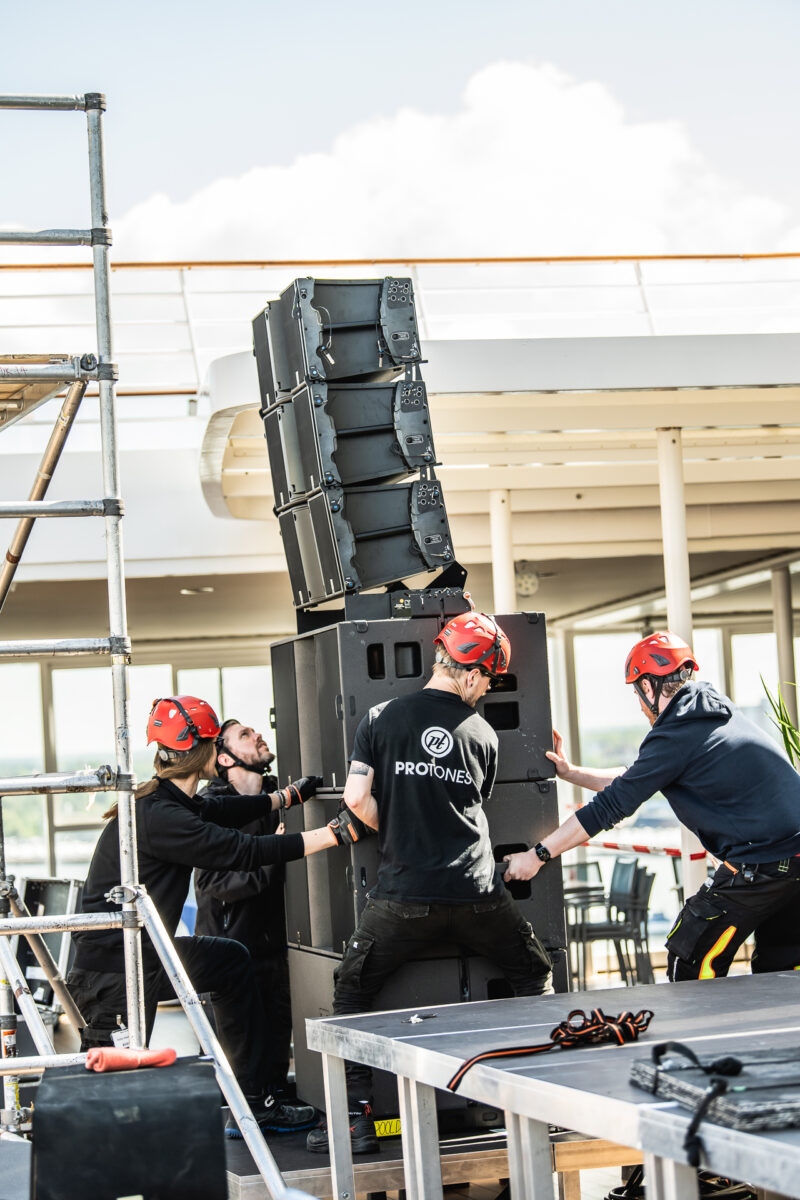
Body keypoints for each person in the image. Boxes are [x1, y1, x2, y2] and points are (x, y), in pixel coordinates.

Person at [307, 612, 553, 1156]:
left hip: (404, 899)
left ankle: (353, 1120)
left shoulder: (378, 716)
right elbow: (474, 804)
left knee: (352, 990)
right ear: (470, 674)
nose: (486, 691)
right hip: (477, 895)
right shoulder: (484, 735)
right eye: (488, 680)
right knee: (532, 974)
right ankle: (535, 1102)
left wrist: (387, 821)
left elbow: (353, 800)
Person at [66, 695, 346, 1137]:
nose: (220, 751)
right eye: (215, 743)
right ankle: (90, 1163)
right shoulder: (160, 815)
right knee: (110, 1092)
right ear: (201, 752)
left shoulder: (167, 799)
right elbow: (239, 850)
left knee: (230, 962)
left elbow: (221, 809)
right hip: (116, 974)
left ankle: (255, 1101)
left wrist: (285, 797)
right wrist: (332, 835)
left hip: (144, 956)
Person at [503, 630, 800, 983]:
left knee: (690, 959)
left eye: (636, 692)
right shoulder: (710, 713)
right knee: (783, 969)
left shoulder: (677, 733)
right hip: (791, 860)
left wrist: (537, 855)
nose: (639, 704)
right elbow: (635, 779)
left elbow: (607, 808)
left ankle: (699, 1038)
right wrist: (571, 773)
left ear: (648, 686)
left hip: (763, 865)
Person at [193, 717, 315, 1132]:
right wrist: (272, 855)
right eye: (245, 735)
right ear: (224, 757)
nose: (258, 735)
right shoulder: (214, 808)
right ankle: (244, 1122)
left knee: (277, 1039)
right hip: (233, 951)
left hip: (278, 943)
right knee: (242, 1053)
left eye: (255, 730)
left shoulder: (280, 795)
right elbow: (215, 883)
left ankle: (276, 1110)